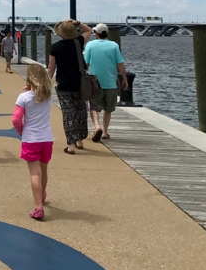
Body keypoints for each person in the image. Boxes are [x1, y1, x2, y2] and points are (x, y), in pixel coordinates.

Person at [12, 63, 54, 220]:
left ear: (29, 79)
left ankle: (38, 207)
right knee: (43, 170)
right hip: (47, 138)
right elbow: (39, 95)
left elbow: (16, 119)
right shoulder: (48, 96)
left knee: (34, 173)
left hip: (31, 139)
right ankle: (42, 194)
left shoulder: (23, 97)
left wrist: (21, 130)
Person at [47, 19, 92, 154]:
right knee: (80, 110)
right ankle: (80, 140)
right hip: (79, 82)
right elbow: (89, 30)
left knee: (68, 113)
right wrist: (77, 23)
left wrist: (48, 81)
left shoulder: (55, 47)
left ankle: (70, 144)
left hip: (63, 83)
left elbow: (51, 67)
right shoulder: (78, 42)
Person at [84, 23, 128, 142]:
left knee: (94, 107)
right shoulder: (114, 45)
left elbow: (86, 63)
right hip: (110, 82)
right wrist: (124, 78)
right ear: (106, 33)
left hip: (94, 81)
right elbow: (120, 64)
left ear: (96, 33)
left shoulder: (90, 45)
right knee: (108, 109)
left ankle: (97, 126)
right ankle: (105, 132)